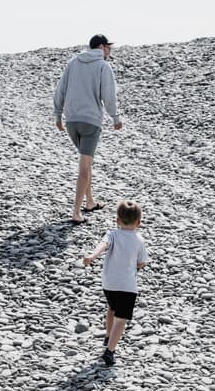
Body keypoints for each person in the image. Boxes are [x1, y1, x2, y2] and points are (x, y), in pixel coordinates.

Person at [54, 34, 122, 224]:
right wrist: (115, 117)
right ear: (101, 47)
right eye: (108, 47)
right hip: (90, 121)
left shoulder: (73, 62)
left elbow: (61, 89)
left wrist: (58, 114)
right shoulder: (103, 66)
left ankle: (90, 202)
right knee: (84, 166)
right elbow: (108, 96)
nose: (109, 51)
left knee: (87, 161)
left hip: (71, 121)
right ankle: (76, 212)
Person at [82, 200, 146, 367]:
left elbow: (103, 246)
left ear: (117, 220)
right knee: (121, 319)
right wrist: (136, 265)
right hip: (127, 286)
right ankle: (109, 351)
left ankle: (107, 337)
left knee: (112, 308)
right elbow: (141, 263)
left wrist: (91, 256)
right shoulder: (139, 240)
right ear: (138, 223)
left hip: (109, 283)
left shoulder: (112, 234)